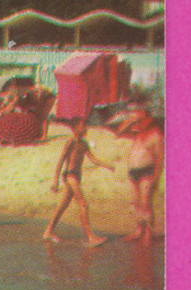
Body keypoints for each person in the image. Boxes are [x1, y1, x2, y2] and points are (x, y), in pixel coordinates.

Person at [42, 118, 114, 245]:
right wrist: (55, 181)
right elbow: (61, 161)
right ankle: (91, 237)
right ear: (75, 129)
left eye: (85, 126)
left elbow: (94, 159)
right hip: (69, 175)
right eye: (82, 126)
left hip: (76, 176)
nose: (85, 128)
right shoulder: (71, 142)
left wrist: (107, 165)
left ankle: (49, 231)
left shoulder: (84, 144)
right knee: (83, 203)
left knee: (63, 204)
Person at [116, 102, 164, 243]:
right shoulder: (138, 132)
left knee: (145, 202)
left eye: (140, 116)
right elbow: (119, 132)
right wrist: (131, 120)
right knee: (137, 202)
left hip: (147, 171)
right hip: (134, 171)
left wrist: (156, 176)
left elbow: (160, 158)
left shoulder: (156, 134)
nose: (138, 119)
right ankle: (139, 229)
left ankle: (149, 231)